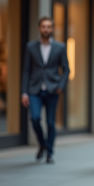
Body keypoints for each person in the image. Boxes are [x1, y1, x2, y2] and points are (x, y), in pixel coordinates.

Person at [21, 16, 70, 164]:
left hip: (52, 90)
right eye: (43, 26)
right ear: (39, 28)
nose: (46, 29)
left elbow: (66, 69)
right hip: (34, 90)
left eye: (49, 26)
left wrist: (60, 86)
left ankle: (49, 152)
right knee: (35, 118)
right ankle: (42, 143)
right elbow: (26, 71)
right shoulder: (31, 47)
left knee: (50, 122)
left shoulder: (60, 47)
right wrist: (24, 92)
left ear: (53, 29)